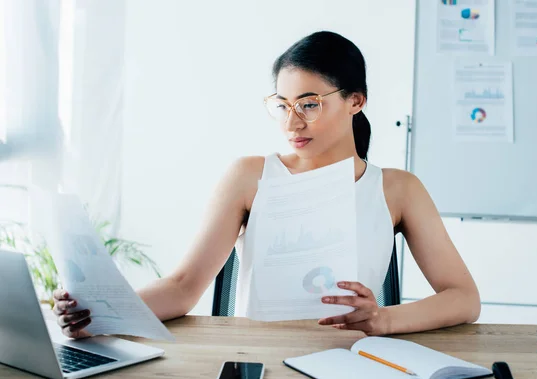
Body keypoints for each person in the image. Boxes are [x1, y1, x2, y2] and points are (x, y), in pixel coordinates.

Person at [53, 31, 480, 339]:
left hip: (354, 364)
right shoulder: (249, 176)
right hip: (256, 359)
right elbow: (183, 288)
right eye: (282, 105)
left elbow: (463, 297)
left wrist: (385, 319)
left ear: (356, 100)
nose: (292, 122)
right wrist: (102, 312)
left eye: (310, 104)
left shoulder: (397, 189)